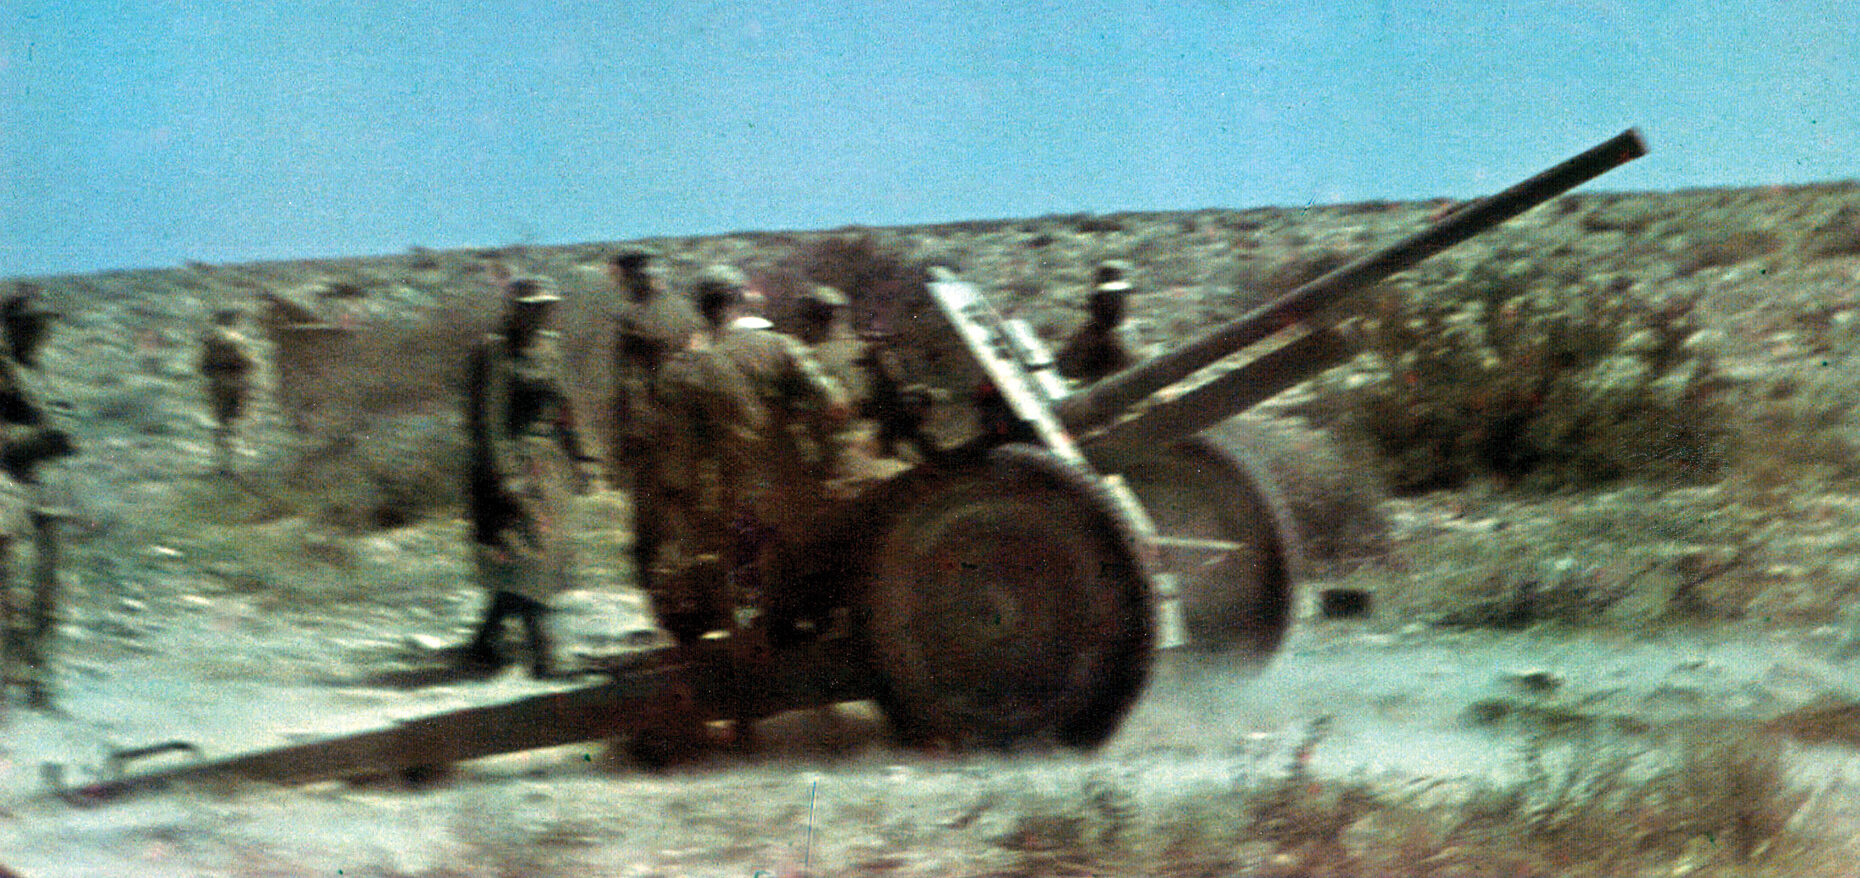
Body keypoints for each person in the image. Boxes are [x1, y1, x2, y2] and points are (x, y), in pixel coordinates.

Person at [649, 267, 848, 644]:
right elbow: (834, 402)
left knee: (748, 590)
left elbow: (685, 452)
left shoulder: (695, 367)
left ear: (703, 310)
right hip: (793, 486)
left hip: (735, 496)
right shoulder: (781, 346)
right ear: (739, 301)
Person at [460, 276, 597, 678]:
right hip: (507, 469)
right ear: (514, 308)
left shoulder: (550, 348)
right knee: (529, 557)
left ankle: (485, 642)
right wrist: (505, 478)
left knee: (539, 558)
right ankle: (545, 657)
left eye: (545, 306)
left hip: (546, 468)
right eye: (531, 306)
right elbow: (487, 422)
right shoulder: (494, 352)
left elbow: (566, 407)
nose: (538, 313)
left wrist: (584, 457)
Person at [607, 247, 702, 605]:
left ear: (635, 277)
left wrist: (623, 441)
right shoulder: (686, 311)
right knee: (685, 512)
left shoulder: (631, 317)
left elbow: (626, 384)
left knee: (648, 521)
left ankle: (659, 599)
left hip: (650, 434)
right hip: (689, 426)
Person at [0, 287, 75, 709]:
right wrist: (39, 442)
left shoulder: (38, 373)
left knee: (49, 595)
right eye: (32, 325)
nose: (41, 332)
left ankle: (39, 680)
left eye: (44, 324)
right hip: (13, 499)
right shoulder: (8, 374)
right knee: (12, 596)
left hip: (48, 497)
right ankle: (12, 677)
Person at [1055, 259, 1137, 384]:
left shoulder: (1122, 332)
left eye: (1120, 297)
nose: (1116, 304)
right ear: (1097, 301)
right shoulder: (1092, 338)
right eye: (1110, 299)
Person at [197, 307, 258, 474]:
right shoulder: (239, 341)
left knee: (223, 426)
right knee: (233, 426)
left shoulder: (211, 342)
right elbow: (250, 365)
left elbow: (203, 367)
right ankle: (232, 465)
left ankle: (223, 464)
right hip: (236, 388)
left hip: (220, 389)